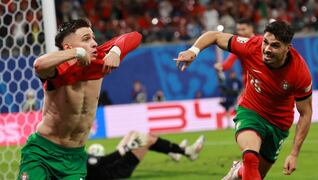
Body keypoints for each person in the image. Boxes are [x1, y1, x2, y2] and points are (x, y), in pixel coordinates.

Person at [174, 20, 312, 180]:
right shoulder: (253, 45)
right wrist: (193, 51)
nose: (267, 49)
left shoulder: (300, 72)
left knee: (254, 175)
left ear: (288, 48)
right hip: (251, 112)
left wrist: (294, 154)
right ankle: (242, 167)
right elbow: (215, 36)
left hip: (278, 125)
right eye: (265, 42)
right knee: (250, 158)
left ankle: (237, 171)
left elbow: (305, 113)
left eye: (274, 46)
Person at [17, 18, 142, 179]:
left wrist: (116, 50)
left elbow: (135, 36)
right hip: (42, 152)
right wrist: (78, 53)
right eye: (86, 39)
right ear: (68, 47)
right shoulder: (60, 69)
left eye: (93, 37)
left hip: (75, 159)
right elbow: (39, 65)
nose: (94, 43)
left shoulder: (101, 59)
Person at [86, 131, 205, 179]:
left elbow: (102, 162)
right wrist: (127, 147)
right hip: (119, 169)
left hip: (112, 166)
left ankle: (176, 153)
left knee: (134, 133)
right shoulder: (84, 160)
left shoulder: (76, 158)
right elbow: (106, 160)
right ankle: (186, 152)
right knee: (147, 139)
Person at [214, 19, 255, 84]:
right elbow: (228, 63)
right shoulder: (239, 46)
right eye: (238, 30)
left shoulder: (262, 42)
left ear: (251, 28)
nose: (240, 33)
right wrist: (220, 67)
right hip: (248, 82)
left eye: (243, 29)